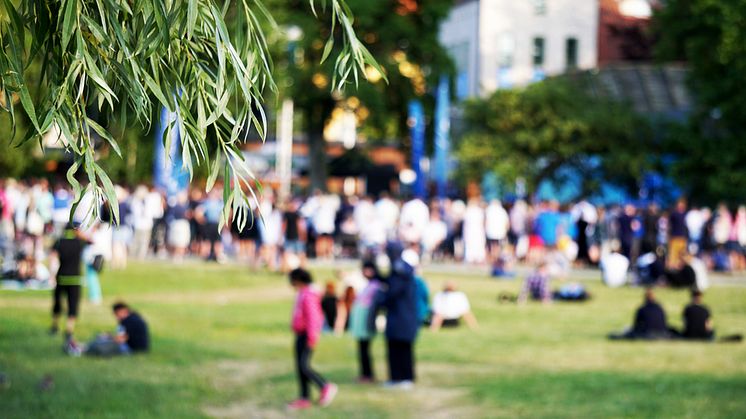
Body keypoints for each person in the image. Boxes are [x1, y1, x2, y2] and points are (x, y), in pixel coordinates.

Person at [287, 269, 337, 410]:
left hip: (306, 335)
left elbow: (313, 317)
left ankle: (325, 386)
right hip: (300, 334)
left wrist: (312, 336)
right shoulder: (302, 293)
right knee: (300, 366)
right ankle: (304, 397)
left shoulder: (308, 295)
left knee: (304, 366)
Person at [378, 245, 419, 389]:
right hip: (401, 317)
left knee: (401, 349)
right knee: (397, 348)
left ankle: (403, 377)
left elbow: (392, 293)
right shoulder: (402, 270)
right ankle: (398, 377)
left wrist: (381, 298)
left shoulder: (400, 272)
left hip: (400, 317)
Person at [50, 223, 91, 354]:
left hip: (61, 277)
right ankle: (69, 330)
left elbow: (53, 256)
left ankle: (55, 326)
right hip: (75, 278)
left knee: (58, 302)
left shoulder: (59, 241)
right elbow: (91, 241)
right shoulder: (79, 242)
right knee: (72, 305)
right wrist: (81, 235)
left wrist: (51, 274)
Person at [348, 261, 383, 383]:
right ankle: (365, 374)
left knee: (365, 349)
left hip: (366, 321)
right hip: (361, 322)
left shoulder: (375, 285)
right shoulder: (368, 285)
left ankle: (368, 375)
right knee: (362, 349)